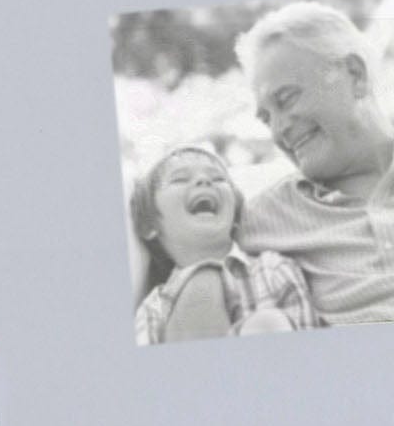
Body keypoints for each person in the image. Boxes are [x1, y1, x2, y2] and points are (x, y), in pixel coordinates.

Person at [234, 0, 394, 325]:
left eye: (286, 99)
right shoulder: (260, 219)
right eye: (266, 118)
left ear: (355, 74)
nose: (278, 129)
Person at [130, 144, 320, 345]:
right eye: (180, 179)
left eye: (218, 178)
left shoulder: (274, 269)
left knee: (268, 322)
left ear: (235, 216)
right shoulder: (154, 309)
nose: (204, 180)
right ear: (149, 225)